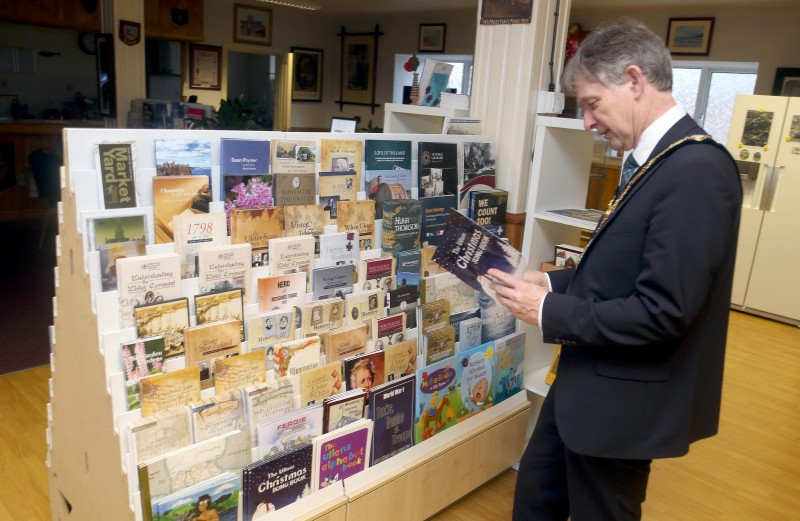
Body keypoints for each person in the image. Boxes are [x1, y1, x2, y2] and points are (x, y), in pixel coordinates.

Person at [489, 17, 741, 521]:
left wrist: (549, 311)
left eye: (591, 103)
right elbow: (629, 267)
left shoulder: (695, 171)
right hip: (585, 383)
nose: (586, 122)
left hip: (621, 402)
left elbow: (664, 311)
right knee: (536, 496)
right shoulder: (654, 161)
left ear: (633, 80)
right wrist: (553, 280)